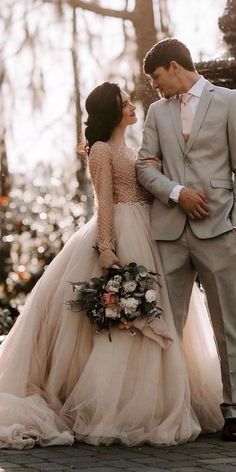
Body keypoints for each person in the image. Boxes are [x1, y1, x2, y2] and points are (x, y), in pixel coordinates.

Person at [0, 82, 222, 450]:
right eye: (124, 103)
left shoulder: (134, 149)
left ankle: (153, 399)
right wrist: (106, 249)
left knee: (159, 314)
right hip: (119, 230)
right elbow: (103, 202)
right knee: (120, 322)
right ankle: (115, 406)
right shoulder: (101, 150)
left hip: (150, 232)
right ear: (111, 112)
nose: (132, 106)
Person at [136, 37, 236, 441]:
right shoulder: (156, 112)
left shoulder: (229, 101)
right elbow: (144, 165)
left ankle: (233, 410)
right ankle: (169, 410)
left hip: (219, 228)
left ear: (175, 66)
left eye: (157, 78)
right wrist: (178, 192)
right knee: (165, 324)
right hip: (169, 231)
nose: (155, 87)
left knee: (228, 322)